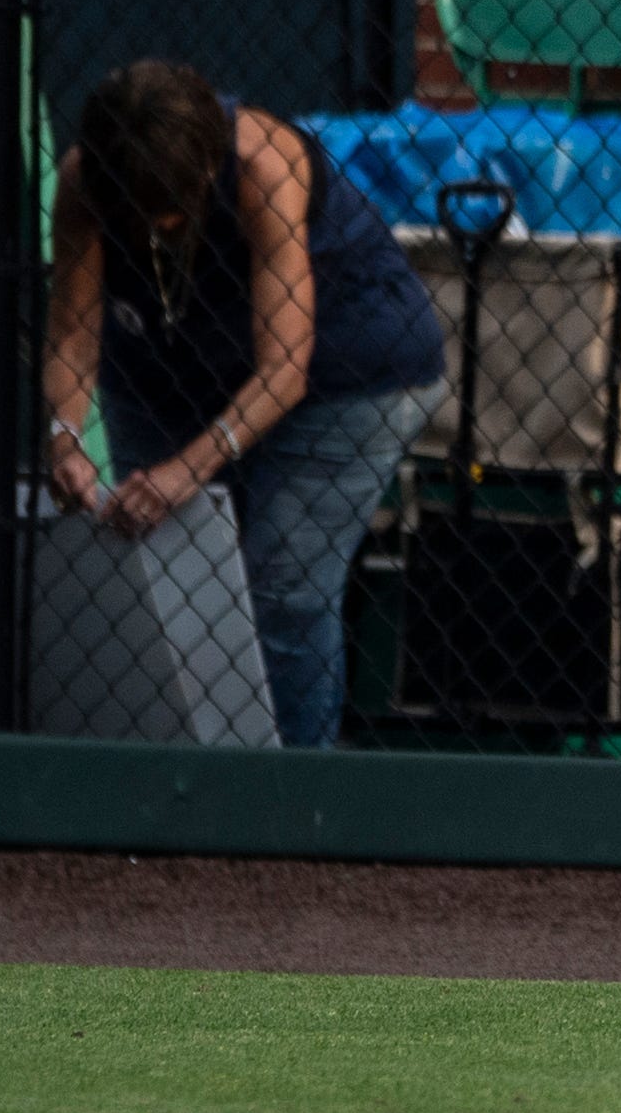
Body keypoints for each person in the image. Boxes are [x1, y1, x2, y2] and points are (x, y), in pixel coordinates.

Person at [44, 60, 448, 748]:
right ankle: (172, 776)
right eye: (131, 222)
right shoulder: (86, 181)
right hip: (171, 365)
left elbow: (286, 367)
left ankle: (290, 796)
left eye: (164, 219)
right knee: (161, 570)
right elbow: (74, 336)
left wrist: (186, 469)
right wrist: (66, 438)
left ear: (204, 178)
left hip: (345, 375)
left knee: (282, 589)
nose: (147, 239)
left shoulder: (264, 168)